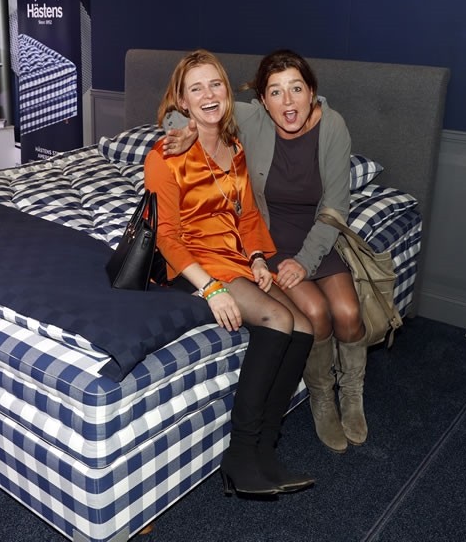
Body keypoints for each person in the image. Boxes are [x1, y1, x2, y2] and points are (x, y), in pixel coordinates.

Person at [165, 49, 365, 454]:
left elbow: (335, 209)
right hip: (269, 239)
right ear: (262, 99)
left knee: (348, 313)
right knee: (315, 313)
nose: (287, 101)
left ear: (312, 92)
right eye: (275, 92)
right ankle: (322, 397)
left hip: (318, 235)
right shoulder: (251, 118)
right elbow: (189, 108)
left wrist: (306, 261)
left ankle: (352, 393)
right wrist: (186, 129)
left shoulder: (333, 126)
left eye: (296, 89)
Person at [144, 49, 315, 498]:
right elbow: (165, 236)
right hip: (191, 262)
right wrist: (212, 288)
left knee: (304, 327)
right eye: (195, 88)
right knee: (278, 319)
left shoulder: (234, 149)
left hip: (234, 255)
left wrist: (258, 258)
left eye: (215, 84)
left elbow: (248, 215)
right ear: (182, 101)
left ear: (227, 91)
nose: (208, 94)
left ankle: (265, 449)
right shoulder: (165, 155)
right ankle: (239, 456)